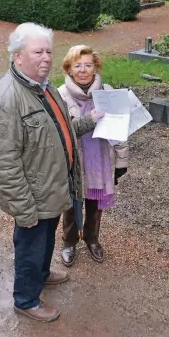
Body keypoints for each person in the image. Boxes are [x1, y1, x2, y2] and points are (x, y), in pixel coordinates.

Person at [0, 24, 103, 322]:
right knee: (30, 244)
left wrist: (89, 120)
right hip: (33, 196)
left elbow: (61, 129)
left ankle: (40, 272)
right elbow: (4, 162)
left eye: (49, 51)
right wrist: (24, 209)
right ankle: (25, 299)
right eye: (38, 52)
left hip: (52, 187)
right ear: (17, 56)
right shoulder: (6, 99)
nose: (46, 58)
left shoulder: (44, 86)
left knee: (46, 239)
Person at [58, 45, 129, 267]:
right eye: (77, 65)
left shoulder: (107, 91)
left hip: (99, 158)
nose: (83, 70)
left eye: (88, 65)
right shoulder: (60, 94)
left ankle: (92, 238)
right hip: (74, 161)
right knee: (71, 205)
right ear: (68, 69)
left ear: (95, 67)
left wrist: (121, 160)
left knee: (95, 204)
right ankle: (69, 242)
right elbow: (62, 131)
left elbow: (120, 128)